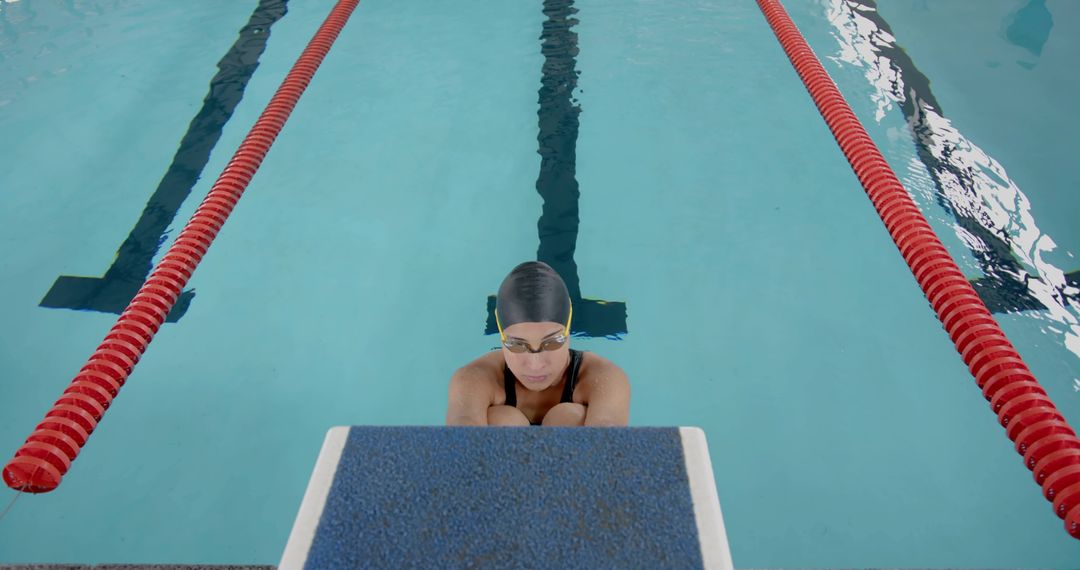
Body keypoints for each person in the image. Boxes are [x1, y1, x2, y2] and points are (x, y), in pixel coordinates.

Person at [446, 261, 630, 426]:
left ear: (568, 330)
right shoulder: (475, 379)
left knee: (568, 418)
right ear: (501, 336)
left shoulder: (603, 377)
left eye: (552, 343)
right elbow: (461, 439)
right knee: (503, 421)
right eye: (517, 345)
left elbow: (608, 443)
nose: (536, 365)